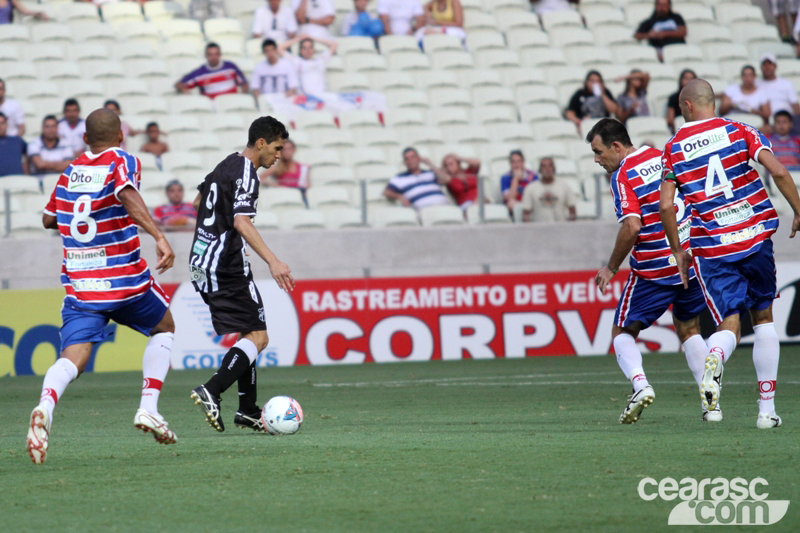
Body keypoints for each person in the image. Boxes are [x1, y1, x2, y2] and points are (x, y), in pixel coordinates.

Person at [27, 108, 178, 465]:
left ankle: (45, 404)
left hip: (82, 283)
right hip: (124, 279)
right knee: (165, 327)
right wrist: (159, 235)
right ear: (121, 136)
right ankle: (148, 408)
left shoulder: (71, 170)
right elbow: (126, 194)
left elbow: (49, 218)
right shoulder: (122, 161)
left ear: (84, 139)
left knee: (74, 357)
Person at [660, 78, 800, 429]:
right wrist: (798, 210)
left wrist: (678, 251)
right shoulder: (740, 130)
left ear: (689, 106)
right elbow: (779, 170)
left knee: (729, 324)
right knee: (764, 318)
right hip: (754, 238)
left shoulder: (674, 147)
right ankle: (766, 412)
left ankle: (716, 355)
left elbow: (665, 207)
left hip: (714, 247)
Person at [587, 118, 710, 423]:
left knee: (621, 331)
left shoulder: (622, 175)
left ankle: (640, 386)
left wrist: (611, 267)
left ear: (617, 146)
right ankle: (712, 404)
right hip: (690, 261)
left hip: (655, 270)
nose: (597, 159)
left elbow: (632, 226)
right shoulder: (661, 155)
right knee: (689, 328)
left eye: (599, 152)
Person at [189, 116, 295, 433]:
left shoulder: (227, 163)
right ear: (261, 143)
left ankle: (248, 410)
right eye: (277, 148)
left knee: (250, 331)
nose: (279, 156)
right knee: (259, 337)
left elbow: (197, 201)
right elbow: (241, 222)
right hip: (225, 263)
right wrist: (273, 261)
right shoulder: (247, 173)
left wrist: (216, 231)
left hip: (202, 259)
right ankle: (212, 389)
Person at [175, 42, 249, 100]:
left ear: (220, 54)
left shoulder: (231, 67)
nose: (213, 57)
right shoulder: (200, 73)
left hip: (233, 105)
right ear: (206, 56)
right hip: (213, 109)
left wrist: (242, 97)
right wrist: (183, 89)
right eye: (210, 54)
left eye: (216, 54)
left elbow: (244, 83)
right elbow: (179, 84)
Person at [384, 147, 449, 209]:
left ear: (418, 158)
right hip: (425, 211)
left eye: (413, 157)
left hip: (444, 206)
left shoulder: (430, 173)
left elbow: (446, 179)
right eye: (407, 158)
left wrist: (429, 162)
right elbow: (386, 192)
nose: (410, 160)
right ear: (405, 162)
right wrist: (400, 197)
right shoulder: (400, 178)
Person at [521, 158, 576, 223]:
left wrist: (570, 228)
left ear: (554, 168)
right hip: (539, 230)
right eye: (544, 166)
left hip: (561, 229)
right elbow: (526, 213)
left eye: (550, 166)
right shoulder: (530, 188)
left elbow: (572, 208)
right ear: (540, 170)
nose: (547, 169)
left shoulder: (564, 186)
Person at [757, 54, 800, 119]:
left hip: (786, 119)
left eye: (770, 64)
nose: (767, 67)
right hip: (766, 120)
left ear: (775, 66)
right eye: (764, 64)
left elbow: (795, 105)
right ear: (761, 67)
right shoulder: (756, 84)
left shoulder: (786, 83)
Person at [666, 68, 695, 134]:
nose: (689, 81)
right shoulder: (673, 98)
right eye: (686, 78)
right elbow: (670, 119)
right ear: (681, 80)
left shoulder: (698, 98)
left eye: (691, 79)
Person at [0, 112, 27, 176]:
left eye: (2, 123)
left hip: (18, 181)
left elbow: (29, 156)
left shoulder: (17, 140)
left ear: (6, 124)